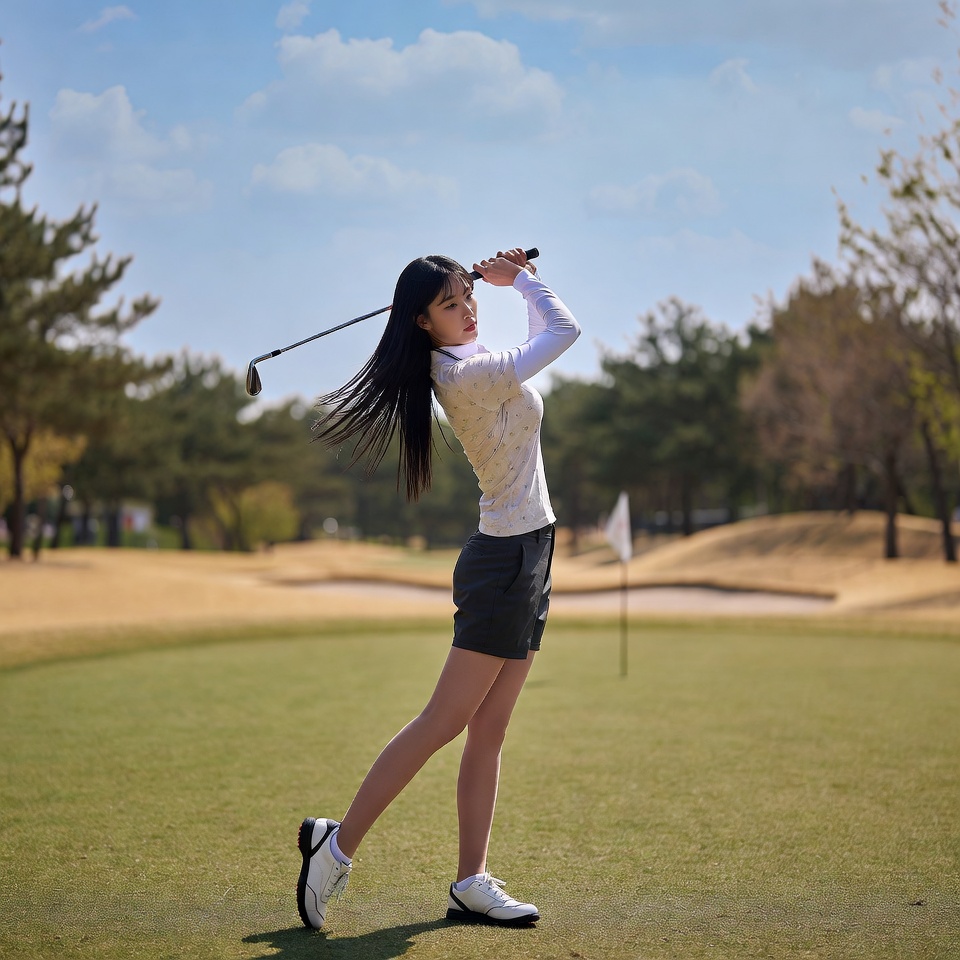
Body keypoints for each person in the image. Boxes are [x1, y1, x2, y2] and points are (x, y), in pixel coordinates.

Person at [297, 246, 581, 930]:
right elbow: (564, 333)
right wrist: (524, 283)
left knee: (490, 727)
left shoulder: (470, 359)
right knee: (443, 721)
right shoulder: (467, 372)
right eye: (451, 304)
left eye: (468, 296)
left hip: (532, 552)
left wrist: (497, 284)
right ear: (422, 322)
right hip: (503, 563)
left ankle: (471, 881)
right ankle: (334, 851)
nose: (468, 310)